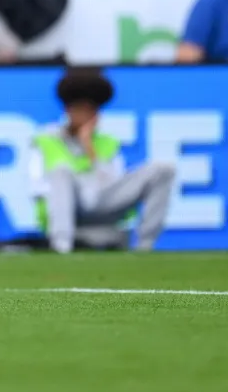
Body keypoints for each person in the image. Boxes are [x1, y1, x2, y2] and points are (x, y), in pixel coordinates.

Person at [30, 68, 176, 255]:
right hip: (66, 210)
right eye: (81, 109)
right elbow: (38, 188)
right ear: (68, 110)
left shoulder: (107, 142)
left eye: (91, 110)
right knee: (61, 171)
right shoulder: (46, 139)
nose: (87, 115)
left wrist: (89, 148)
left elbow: (110, 186)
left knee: (163, 170)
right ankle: (61, 247)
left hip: (102, 206)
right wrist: (77, 186)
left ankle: (144, 247)